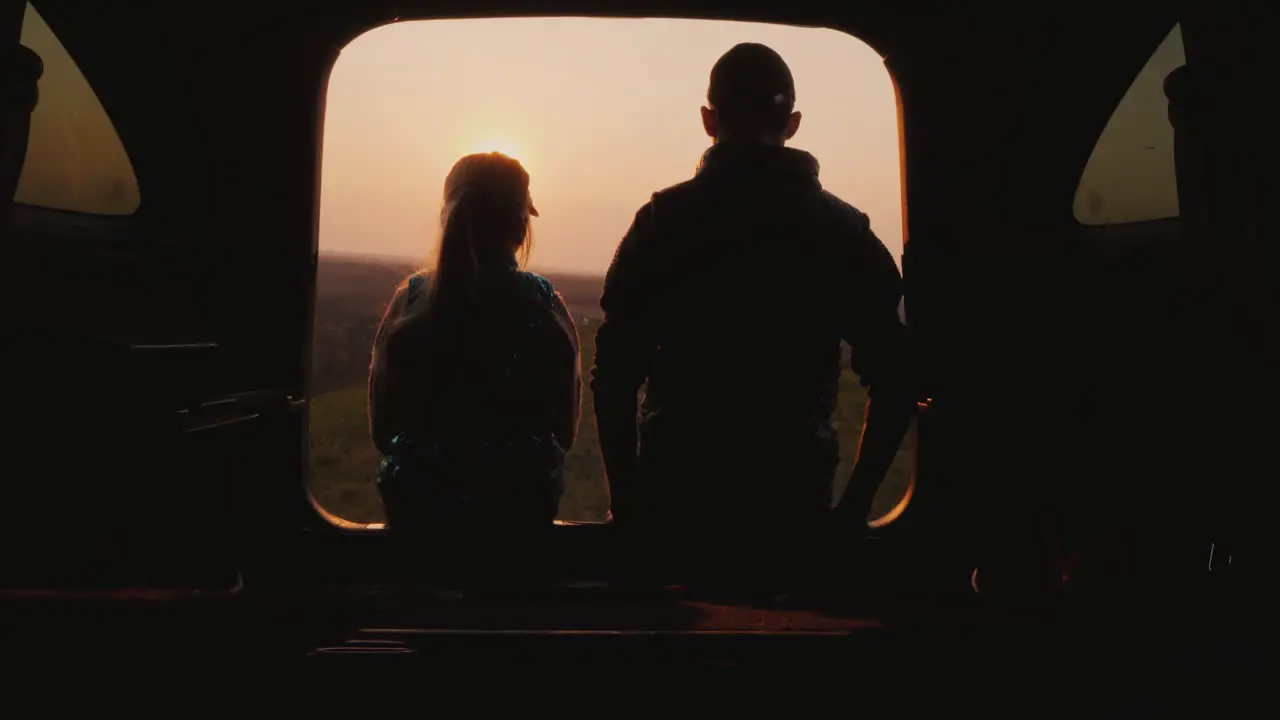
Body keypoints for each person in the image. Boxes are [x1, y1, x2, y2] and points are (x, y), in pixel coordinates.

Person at [591, 43, 917, 568]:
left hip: (677, 499)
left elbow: (614, 374)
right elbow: (898, 375)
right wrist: (855, 509)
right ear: (792, 124)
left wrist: (628, 507)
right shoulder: (843, 231)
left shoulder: (661, 223)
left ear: (708, 120)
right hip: (793, 506)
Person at [369, 152, 581, 541]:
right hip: (519, 515)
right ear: (520, 225)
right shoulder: (543, 303)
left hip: (417, 516)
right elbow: (564, 432)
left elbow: (382, 430)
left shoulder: (412, 301)